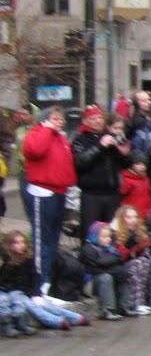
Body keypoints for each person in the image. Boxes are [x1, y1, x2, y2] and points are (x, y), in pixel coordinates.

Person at [20, 105, 74, 293]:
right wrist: (46, 130)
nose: (60, 122)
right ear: (45, 120)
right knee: (41, 240)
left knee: (53, 241)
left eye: (61, 119)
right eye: (56, 119)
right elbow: (35, 151)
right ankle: (38, 283)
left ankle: (48, 281)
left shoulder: (61, 138)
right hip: (42, 193)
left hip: (59, 192)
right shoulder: (36, 134)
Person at [1, 230, 88, 332]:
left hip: (29, 292)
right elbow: (8, 284)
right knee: (33, 308)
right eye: (17, 243)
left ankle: (76, 318)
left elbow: (36, 277)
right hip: (16, 293)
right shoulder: (7, 262)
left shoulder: (28, 259)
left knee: (46, 305)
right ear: (10, 245)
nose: (21, 245)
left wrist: (35, 293)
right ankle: (57, 321)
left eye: (23, 242)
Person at [72, 105, 132, 228]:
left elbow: (125, 165)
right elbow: (80, 162)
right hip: (91, 194)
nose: (98, 121)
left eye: (100, 118)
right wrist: (100, 146)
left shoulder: (111, 136)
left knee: (112, 230)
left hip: (112, 193)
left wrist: (125, 154)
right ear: (85, 121)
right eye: (93, 118)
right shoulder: (80, 139)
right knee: (91, 231)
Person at [110, 204, 151, 315]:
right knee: (139, 263)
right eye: (129, 217)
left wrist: (143, 247)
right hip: (122, 266)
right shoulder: (116, 234)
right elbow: (120, 256)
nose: (133, 220)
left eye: (135, 217)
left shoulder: (138, 232)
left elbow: (146, 248)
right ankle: (137, 304)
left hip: (136, 262)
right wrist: (131, 247)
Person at [120, 153, 151, 217]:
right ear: (131, 165)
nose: (142, 167)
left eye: (144, 164)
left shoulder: (146, 179)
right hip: (133, 215)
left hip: (147, 214)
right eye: (138, 164)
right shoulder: (126, 179)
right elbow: (121, 197)